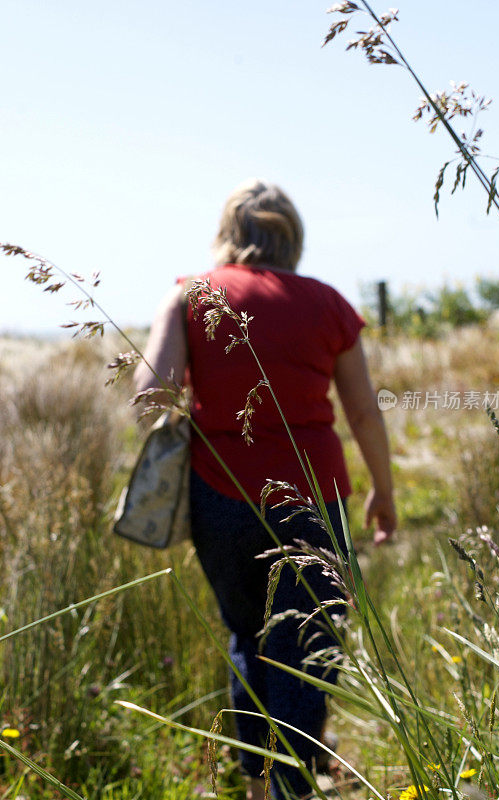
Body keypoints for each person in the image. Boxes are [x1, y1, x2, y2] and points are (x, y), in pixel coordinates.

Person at [134, 179, 396, 800]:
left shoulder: (192, 295)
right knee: (308, 643)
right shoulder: (329, 304)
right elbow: (363, 414)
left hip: (218, 498)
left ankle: (260, 788)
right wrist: (383, 493)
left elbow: (149, 397)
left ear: (228, 235)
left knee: (249, 634)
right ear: (293, 238)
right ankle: (296, 788)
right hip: (314, 499)